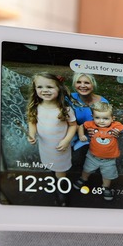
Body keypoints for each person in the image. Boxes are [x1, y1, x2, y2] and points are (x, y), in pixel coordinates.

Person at [26, 73, 78, 205]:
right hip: (45, 146)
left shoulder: (65, 109)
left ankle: (62, 192)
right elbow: (32, 122)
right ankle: (53, 178)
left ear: (59, 88)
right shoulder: (36, 107)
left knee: (61, 170)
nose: (44, 90)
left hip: (60, 147)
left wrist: (66, 140)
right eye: (40, 87)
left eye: (49, 87)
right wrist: (32, 134)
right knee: (49, 164)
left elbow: (73, 126)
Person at [76, 101, 123, 201]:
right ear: (93, 117)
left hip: (109, 160)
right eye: (97, 118)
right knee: (86, 169)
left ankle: (105, 187)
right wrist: (81, 135)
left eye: (105, 118)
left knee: (107, 175)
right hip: (92, 156)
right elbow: (81, 126)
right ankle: (83, 178)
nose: (101, 121)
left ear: (112, 118)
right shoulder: (91, 124)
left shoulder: (115, 126)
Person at [67, 73, 110, 178]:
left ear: (93, 85)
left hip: (91, 135)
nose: (82, 85)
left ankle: (84, 177)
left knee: (80, 156)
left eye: (86, 82)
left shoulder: (102, 102)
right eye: (79, 82)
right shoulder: (69, 98)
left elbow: (105, 123)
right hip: (71, 132)